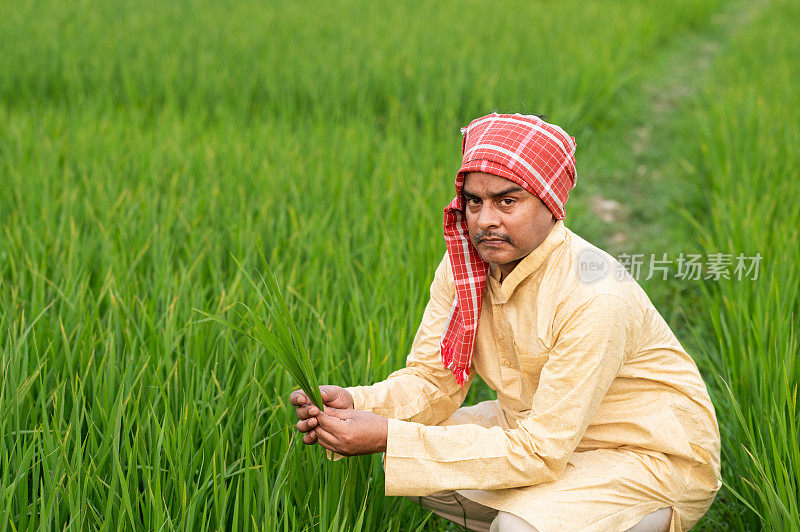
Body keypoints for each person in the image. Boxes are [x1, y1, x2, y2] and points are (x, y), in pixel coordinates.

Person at [289, 113, 721, 531]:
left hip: (649, 456)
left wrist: (388, 435)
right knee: (409, 458)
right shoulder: (466, 267)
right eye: (474, 202)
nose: (485, 220)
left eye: (507, 201)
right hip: (542, 432)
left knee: (514, 524)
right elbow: (434, 381)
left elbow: (541, 451)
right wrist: (357, 404)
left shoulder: (594, 294)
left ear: (550, 205)